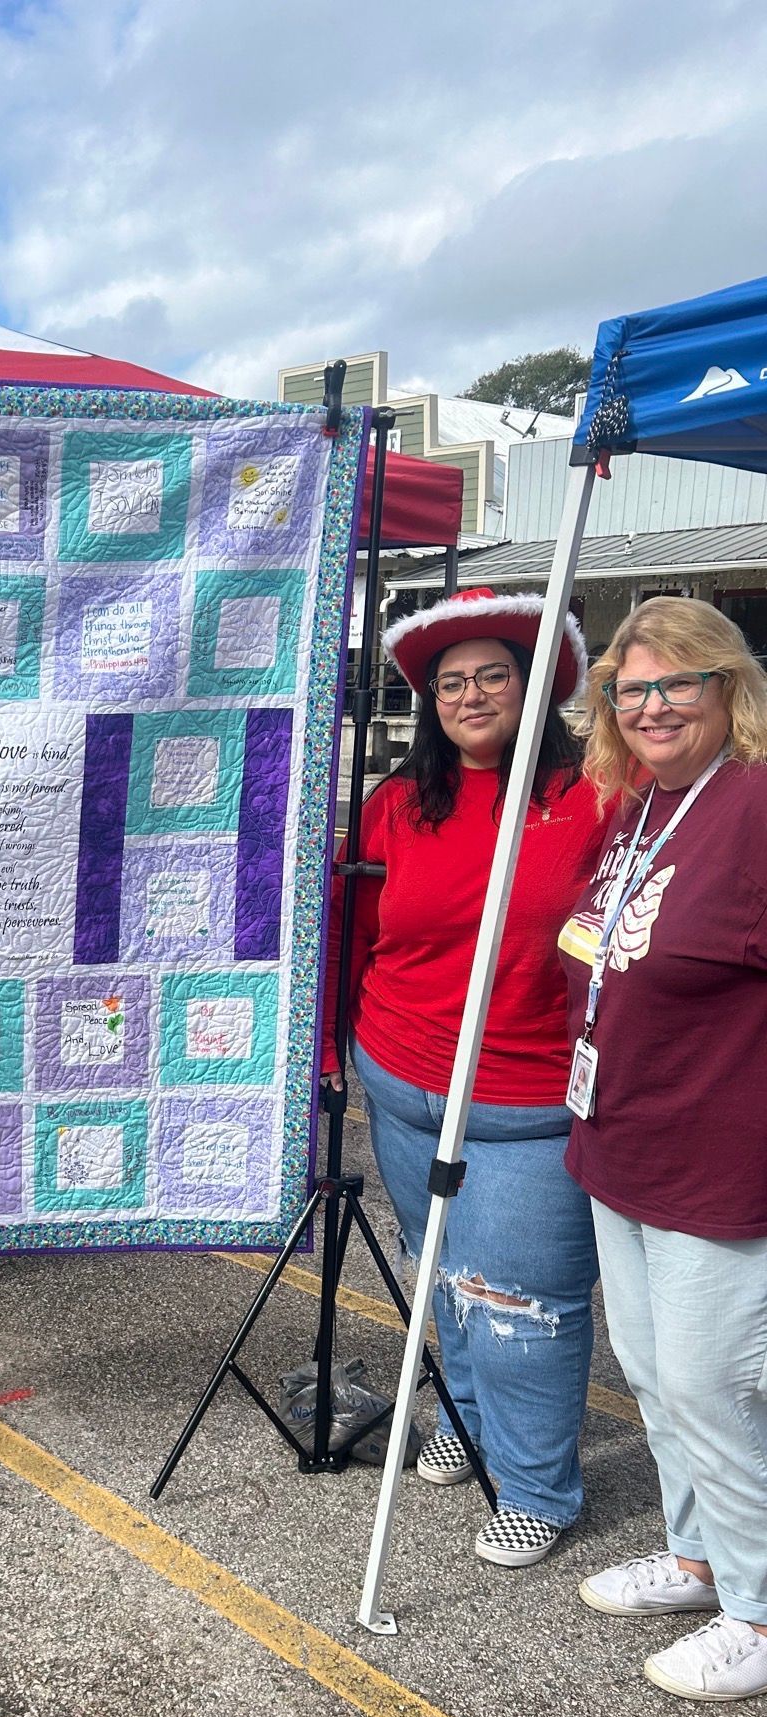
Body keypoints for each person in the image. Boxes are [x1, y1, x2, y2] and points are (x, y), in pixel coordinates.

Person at [323, 588, 609, 1566]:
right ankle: (471, 1422)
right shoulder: (396, 806)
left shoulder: (596, 798)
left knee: (523, 1301)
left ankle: (538, 1485)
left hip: (529, 1105)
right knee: (442, 1275)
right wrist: (334, 1050)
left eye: (494, 673)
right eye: (452, 681)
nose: (473, 693)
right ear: (429, 702)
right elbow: (354, 936)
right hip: (401, 1083)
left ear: (534, 688)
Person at [562, 597, 767, 1700]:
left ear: (726, 688)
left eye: (674, 684)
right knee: (650, 1373)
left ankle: (761, 1606)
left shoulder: (755, 803)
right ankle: (698, 1559)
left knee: (711, 1382)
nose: (649, 706)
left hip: (716, 1155)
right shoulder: (643, 809)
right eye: (629, 688)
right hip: (621, 1140)